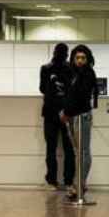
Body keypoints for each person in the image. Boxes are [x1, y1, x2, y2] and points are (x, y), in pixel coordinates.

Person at [60, 44, 98, 200]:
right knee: (79, 152)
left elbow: (81, 97)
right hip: (72, 116)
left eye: (83, 58)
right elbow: (69, 95)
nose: (80, 60)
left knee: (84, 152)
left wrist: (67, 112)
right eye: (77, 57)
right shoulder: (72, 74)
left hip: (82, 116)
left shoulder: (88, 74)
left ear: (87, 59)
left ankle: (79, 184)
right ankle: (80, 184)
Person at [39, 43, 75, 189]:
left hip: (50, 112)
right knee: (69, 149)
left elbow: (42, 89)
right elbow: (73, 90)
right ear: (67, 54)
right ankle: (68, 181)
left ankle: (52, 181)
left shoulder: (45, 68)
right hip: (67, 113)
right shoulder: (71, 69)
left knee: (51, 149)